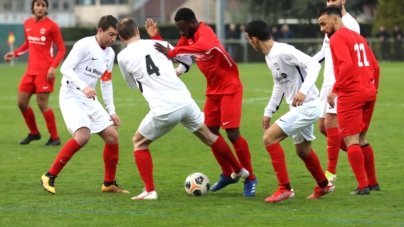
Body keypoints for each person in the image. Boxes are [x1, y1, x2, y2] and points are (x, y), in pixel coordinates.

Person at [116, 17, 249, 200]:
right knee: (210, 137)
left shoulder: (122, 56)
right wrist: (177, 71)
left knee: (139, 142)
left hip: (164, 109)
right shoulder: (157, 43)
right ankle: (239, 169)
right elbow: (186, 59)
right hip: (185, 100)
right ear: (138, 31)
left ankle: (149, 190)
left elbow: (132, 85)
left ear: (121, 38)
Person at [144, 8, 257, 197]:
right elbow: (174, 53)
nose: (181, 33)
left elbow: (202, 47)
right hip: (212, 91)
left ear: (192, 23)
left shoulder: (205, 32)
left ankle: (250, 177)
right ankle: (228, 173)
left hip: (230, 87)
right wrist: (157, 37)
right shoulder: (187, 37)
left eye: (182, 28)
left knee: (232, 133)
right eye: (178, 29)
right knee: (210, 133)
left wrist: (174, 51)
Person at [244, 20, 334, 203]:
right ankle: (324, 185)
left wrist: (303, 91)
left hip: (307, 106)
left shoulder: (283, 51)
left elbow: (314, 65)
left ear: (254, 39)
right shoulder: (270, 56)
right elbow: (279, 83)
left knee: (269, 138)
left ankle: (284, 188)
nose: (248, 43)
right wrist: (269, 111)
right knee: (303, 151)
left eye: (248, 39)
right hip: (300, 107)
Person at [40, 15, 129, 195]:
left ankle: (109, 183)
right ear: (100, 31)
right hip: (71, 94)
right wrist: (83, 86)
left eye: (116, 36)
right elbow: (65, 68)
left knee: (112, 136)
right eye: (110, 35)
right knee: (83, 136)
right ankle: (49, 176)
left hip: (89, 98)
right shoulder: (84, 45)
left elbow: (106, 82)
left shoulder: (110, 53)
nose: (113, 39)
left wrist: (111, 111)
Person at [318, 6, 380, 195]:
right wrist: (373, 88)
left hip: (351, 94)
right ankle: (373, 182)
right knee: (361, 138)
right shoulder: (359, 38)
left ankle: (362, 186)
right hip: (368, 92)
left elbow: (346, 65)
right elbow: (376, 67)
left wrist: (335, 91)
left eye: (323, 24)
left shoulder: (337, 38)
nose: (322, 29)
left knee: (351, 139)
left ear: (335, 20)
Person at [3, 0, 65, 146]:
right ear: (33, 7)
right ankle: (34, 133)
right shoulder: (27, 23)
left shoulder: (52, 26)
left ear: (46, 8)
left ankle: (55, 138)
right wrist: (16, 54)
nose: (40, 8)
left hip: (45, 72)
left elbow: (61, 48)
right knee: (21, 103)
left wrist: (53, 67)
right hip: (30, 71)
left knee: (42, 103)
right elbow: (28, 44)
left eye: (43, 5)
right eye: (38, 5)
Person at [312, 0, 360, 182]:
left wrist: (340, 84)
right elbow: (325, 52)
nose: (331, 2)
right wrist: (305, 63)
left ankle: (330, 172)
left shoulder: (350, 24)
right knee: (323, 127)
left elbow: (351, 57)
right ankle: (358, 154)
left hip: (340, 80)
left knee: (331, 123)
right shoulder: (329, 23)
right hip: (327, 80)